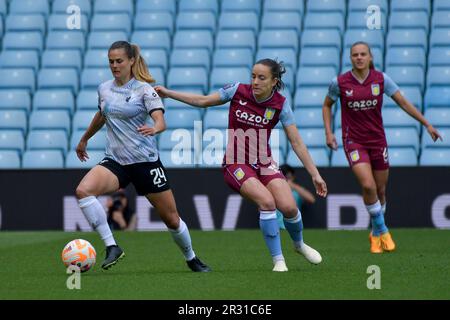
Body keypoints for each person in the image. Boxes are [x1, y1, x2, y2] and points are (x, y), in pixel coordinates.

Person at [155, 58, 328, 272]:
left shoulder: (281, 105)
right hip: (235, 162)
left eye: (261, 77)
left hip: (264, 162)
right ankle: (278, 260)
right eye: (253, 76)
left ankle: (299, 244)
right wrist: (168, 93)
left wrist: (315, 174)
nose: (255, 81)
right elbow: (203, 100)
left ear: (274, 81)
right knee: (267, 203)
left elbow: (297, 143)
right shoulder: (237, 91)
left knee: (290, 207)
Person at [75, 41, 211, 272]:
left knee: (171, 219)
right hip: (116, 161)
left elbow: (160, 120)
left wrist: (155, 128)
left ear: (131, 61)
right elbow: (102, 114)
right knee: (83, 191)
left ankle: (191, 258)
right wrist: (85, 138)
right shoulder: (104, 88)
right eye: (111, 61)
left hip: (145, 163)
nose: (115, 66)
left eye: (119, 61)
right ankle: (112, 246)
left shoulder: (144, 90)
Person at [322, 41, 442, 253]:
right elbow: (327, 105)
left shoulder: (381, 79)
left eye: (363, 54)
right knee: (368, 186)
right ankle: (383, 229)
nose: (359, 58)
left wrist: (427, 124)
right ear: (350, 58)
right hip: (354, 141)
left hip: (378, 141)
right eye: (355, 55)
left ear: (370, 57)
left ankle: (375, 234)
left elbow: (403, 103)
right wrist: (329, 133)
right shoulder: (339, 82)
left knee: (381, 190)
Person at [276, 164, 316, 229]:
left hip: (293, 227)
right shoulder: (274, 190)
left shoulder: (296, 193)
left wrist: (293, 186)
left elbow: (311, 199)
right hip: (276, 227)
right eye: (285, 178)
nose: (287, 180)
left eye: (289, 178)